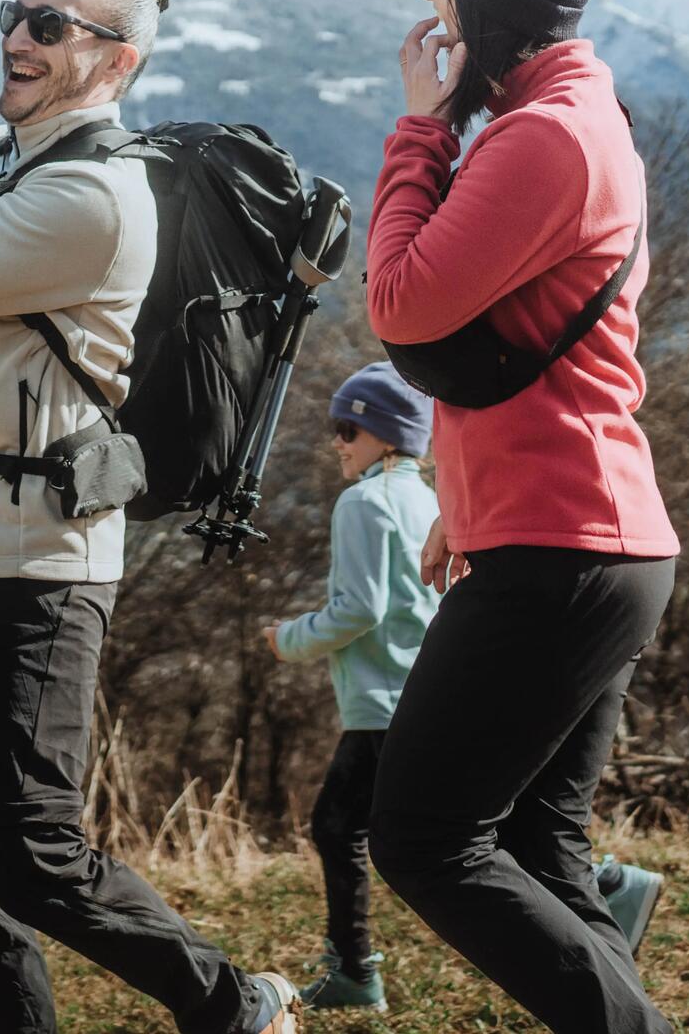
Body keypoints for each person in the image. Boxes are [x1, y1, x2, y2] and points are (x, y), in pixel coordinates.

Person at [0, 0, 302, 1034]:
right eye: (16, 16)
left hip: (29, 565)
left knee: (31, 853)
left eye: (50, 25)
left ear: (115, 61)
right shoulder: (19, 154)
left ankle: (238, 1007)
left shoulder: (92, 194)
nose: (19, 38)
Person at [364, 0, 679, 1034]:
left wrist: (416, 128)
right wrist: (468, 493)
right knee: (542, 847)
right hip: (583, 533)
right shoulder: (570, 117)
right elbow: (533, 346)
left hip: (565, 547)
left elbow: (401, 302)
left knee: (425, 835)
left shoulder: (545, 135)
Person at [265, 361, 440, 1013]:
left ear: (387, 437)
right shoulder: (428, 498)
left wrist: (289, 638)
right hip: (425, 692)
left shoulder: (365, 501)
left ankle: (354, 974)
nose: (337, 440)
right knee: (460, 829)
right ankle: (605, 883)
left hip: (383, 702)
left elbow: (358, 609)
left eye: (348, 427)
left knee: (338, 828)